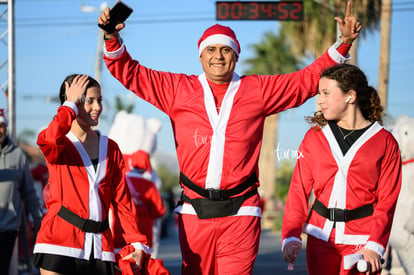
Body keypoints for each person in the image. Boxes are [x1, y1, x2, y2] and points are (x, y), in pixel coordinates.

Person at [98, 2, 361, 274]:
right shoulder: (178, 89)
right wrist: (111, 37)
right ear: (200, 57)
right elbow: (131, 73)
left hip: (241, 213)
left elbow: (303, 81)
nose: (218, 56)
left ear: (236, 55)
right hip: (193, 212)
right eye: (210, 50)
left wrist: (342, 45)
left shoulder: (256, 90)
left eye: (226, 50)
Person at [281, 64, 402, 275]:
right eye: (319, 93)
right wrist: (291, 234)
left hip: (363, 243)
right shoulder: (314, 136)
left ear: (350, 96)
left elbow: (387, 200)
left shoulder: (385, 142)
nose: (319, 100)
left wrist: (375, 244)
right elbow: (298, 188)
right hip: (320, 237)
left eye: (326, 93)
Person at [33, 74, 151, 275]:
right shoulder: (60, 143)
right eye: (88, 100)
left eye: (100, 100)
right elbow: (48, 141)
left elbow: (122, 201)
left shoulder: (111, 148)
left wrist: (136, 242)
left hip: (100, 247)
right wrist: (69, 104)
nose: (97, 107)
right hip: (58, 243)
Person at [0, 108, 44, 275]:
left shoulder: (18, 155)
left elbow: (29, 191)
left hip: (7, 228)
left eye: (2, 125)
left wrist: (37, 217)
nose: (0, 130)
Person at [111, 149, 166, 257]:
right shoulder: (149, 185)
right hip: (143, 231)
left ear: (132, 163)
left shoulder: (120, 180)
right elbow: (158, 211)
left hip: (121, 229)